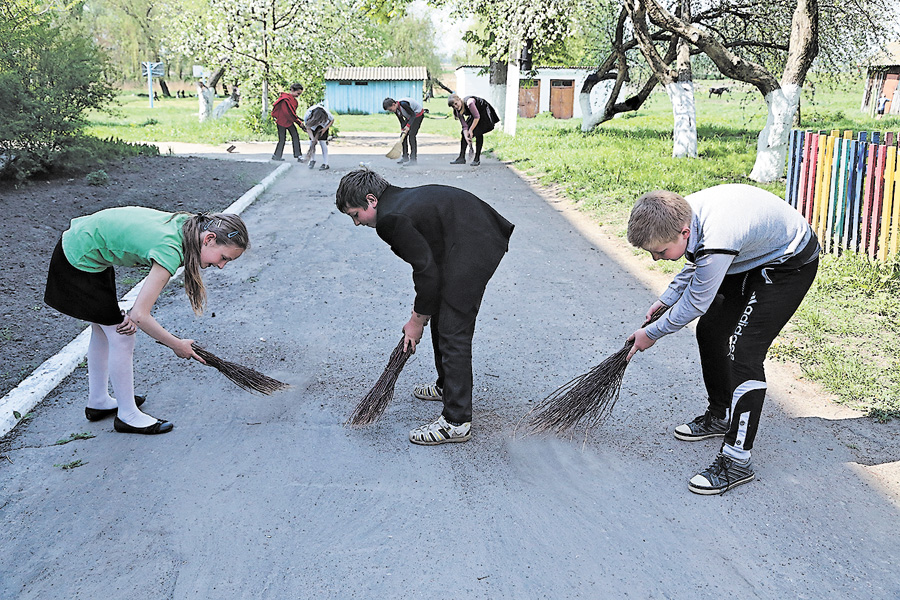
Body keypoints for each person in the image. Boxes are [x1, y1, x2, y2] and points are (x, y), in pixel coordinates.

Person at [625, 184, 819, 495]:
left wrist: (652, 334)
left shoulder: (717, 235)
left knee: (743, 352)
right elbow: (695, 262)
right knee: (711, 331)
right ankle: (721, 414)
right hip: (750, 254)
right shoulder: (679, 215)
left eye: (660, 252)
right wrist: (667, 298)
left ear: (684, 232)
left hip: (787, 264)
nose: (657, 259)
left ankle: (737, 460)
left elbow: (698, 301)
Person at [336, 168, 514, 445]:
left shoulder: (390, 219)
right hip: (464, 239)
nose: (357, 223)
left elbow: (426, 273)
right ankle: (446, 386)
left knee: (454, 328)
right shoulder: (397, 201)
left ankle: (456, 422)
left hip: (475, 244)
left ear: (371, 200)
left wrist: (416, 321)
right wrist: (424, 312)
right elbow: (429, 268)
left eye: (355, 215)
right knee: (441, 312)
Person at [44, 208, 250, 435]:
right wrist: (177, 344)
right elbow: (140, 316)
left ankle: (99, 401)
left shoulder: (190, 227)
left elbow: (137, 314)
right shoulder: (171, 248)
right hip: (79, 259)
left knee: (103, 329)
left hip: (87, 248)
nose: (221, 266)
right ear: (209, 239)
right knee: (123, 336)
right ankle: (127, 416)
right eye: (224, 258)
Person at [448, 93, 500, 167]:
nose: (456, 106)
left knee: (478, 131)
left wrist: (471, 130)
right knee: (463, 134)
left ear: (459, 100)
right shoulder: (457, 110)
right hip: (475, 115)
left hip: (483, 112)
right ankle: (461, 157)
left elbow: (477, 117)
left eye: (456, 104)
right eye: (453, 106)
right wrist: (466, 135)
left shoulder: (470, 102)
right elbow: (464, 126)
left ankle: (477, 158)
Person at [383, 96, 424, 166]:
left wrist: (408, 126)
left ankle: (413, 159)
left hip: (418, 115)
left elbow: (413, 114)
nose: (390, 111)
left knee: (411, 135)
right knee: (403, 136)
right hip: (410, 117)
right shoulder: (396, 109)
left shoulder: (404, 104)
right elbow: (401, 121)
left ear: (394, 104)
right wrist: (403, 129)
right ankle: (405, 157)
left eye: (390, 109)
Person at [271, 83, 305, 162]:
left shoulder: (291, 99)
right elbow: (288, 113)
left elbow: (292, 113)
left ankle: (298, 155)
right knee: (283, 139)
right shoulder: (285, 99)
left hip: (288, 121)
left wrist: (298, 120)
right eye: (298, 93)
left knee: (295, 136)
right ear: (292, 90)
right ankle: (277, 155)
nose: (298, 95)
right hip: (283, 121)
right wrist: (299, 122)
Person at [301, 102, 335, 171]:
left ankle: (325, 163)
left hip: (323, 126)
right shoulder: (308, 115)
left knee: (323, 143)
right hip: (312, 127)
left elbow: (332, 120)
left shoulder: (326, 113)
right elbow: (308, 128)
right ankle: (312, 160)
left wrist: (325, 129)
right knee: (311, 143)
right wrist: (313, 139)